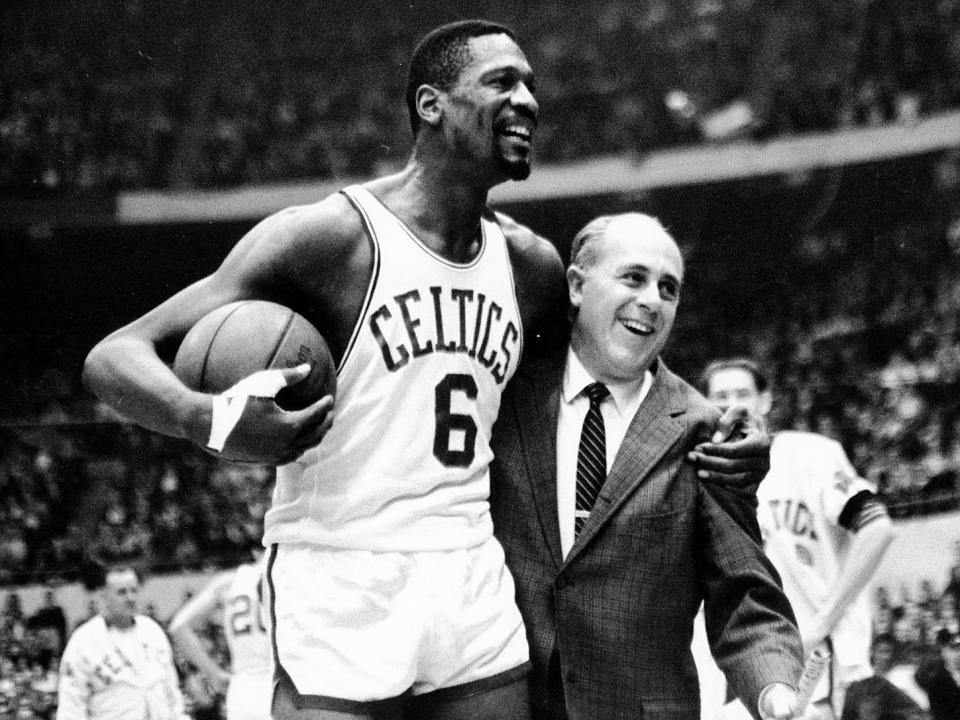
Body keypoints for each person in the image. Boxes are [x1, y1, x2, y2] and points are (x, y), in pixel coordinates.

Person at [83, 20, 769, 720]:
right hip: (340, 565)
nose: (529, 99)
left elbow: (619, 354)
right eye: (502, 81)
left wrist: (719, 428)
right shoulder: (334, 237)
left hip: (465, 566)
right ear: (431, 105)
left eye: (531, 84)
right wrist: (208, 420)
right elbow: (115, 356)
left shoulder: (527, 264)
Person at [489, 212, 803, 720]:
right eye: (633, 277)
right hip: (512, 705)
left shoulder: (703, 430)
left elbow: (745, 595)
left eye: (669, 288)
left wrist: (775, 691)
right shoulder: (505, 394)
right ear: (576, 285)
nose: (652, 300)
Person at [702, 358, 897, 720]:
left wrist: (821, 623)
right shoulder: (703, 474)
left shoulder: (809, 454)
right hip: (747, 666)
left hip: (820, 659)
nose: (732, 405)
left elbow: (877, 528)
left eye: (743, 394)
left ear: (766, 401)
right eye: (720, 396)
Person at [56, 561, 187, 720]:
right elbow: (71, 705)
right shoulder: (83, 641)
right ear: (104, 595)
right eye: (122, 592)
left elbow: (172, 691)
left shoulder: (153, 631)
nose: (130, 598)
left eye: (133, 591)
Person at [168, 552, 272, 720]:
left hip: (242, 691)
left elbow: (178, 626)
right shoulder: (292, 581)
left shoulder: (229, 582)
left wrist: (214, 674)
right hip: (281, 690)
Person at [839, 635, 923, 720]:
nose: (886, 657)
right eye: (882, 651)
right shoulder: (859, 677)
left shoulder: (903, 676)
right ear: (873, 652)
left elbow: (919, 707)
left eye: (889, 652)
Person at [914, 628, 960, 720]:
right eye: (953, 649)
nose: (958, 654)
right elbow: (939, 714)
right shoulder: (937, 681)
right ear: (944, 651)